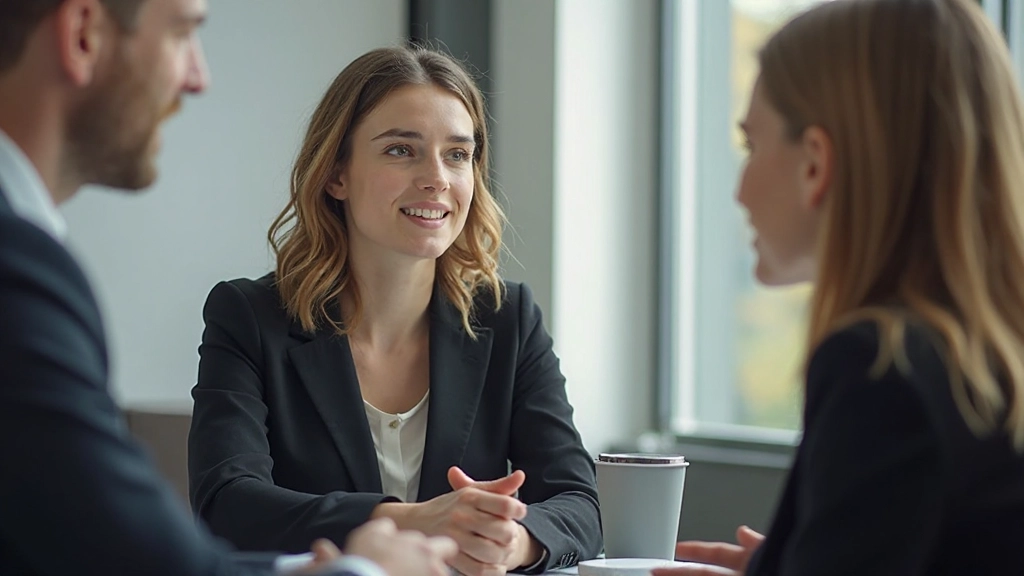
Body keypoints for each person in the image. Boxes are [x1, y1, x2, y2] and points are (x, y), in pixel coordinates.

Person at [0, 1, 457, 575]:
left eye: (459, 154)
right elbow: (126, 548)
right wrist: (364, 566)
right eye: (182, 34)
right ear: (84, 35)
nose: (199, 76)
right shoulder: (18, 271)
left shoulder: (27, 258)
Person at [186, 45, 603, 576]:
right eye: (401, 151)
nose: (437, 178)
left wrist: (507, 541)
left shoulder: (508, 318)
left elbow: (578, 504)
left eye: (457, 154)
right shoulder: (248, 317)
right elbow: (227, 504)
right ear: (336, 174)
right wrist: (412, 521)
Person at [653, 1, 1024, 575]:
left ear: (815, 164)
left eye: (751, 146)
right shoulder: (986, 357)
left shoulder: (881, 366)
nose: (740, 191)